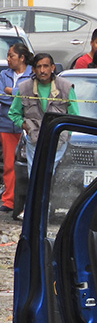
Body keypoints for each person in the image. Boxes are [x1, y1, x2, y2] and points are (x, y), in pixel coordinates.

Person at [9, 53, 78, 219]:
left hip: (57, 140)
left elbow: (74, 115)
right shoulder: (25, 88)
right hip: (34, 139)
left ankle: (38, 209)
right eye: (38, 67)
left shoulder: (66, 87)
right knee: (36, 173)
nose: (42, 70)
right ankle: (36, 210)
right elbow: (13, 113)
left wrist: (65, 134)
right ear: (33, 69)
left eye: (46, 66)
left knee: (46, 172)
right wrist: (24, 125)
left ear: (52, 68)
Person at [0, 43, 31, 213]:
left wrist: (11, 91)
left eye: (11, 55)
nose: (8, 59)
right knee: (9, 164)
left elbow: (29, 98)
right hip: (6, 124)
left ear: (21, 58)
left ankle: (26, 201)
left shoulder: (32, 73)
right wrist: (18, 94)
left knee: (28, 164)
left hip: (26, 126)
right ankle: (9, 200)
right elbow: (3, 98)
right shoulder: (3, 74)